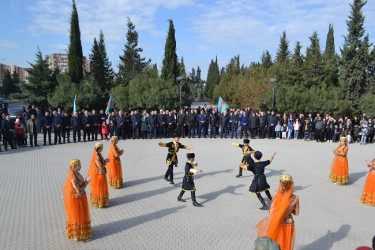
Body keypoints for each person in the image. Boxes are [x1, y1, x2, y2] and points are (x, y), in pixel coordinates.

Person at [255, 174, 299, 250]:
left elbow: (271, 212)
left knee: (274, 243)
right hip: (289, 223)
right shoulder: (295, 198)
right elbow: (296, 212)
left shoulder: (275, 196)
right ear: (291, 184)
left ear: (280, 184)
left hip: (276, 223)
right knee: (286, 244)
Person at [63, 159, 92, 241]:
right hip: (77, 199)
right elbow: (78, 190)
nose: (80, 166)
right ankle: (78, 233)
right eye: (78, 165)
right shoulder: (73, 178)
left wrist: (85, 180)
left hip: (81, 197)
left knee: (82, 214)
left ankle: (82, 231)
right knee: (78, 215)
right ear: (74, 167)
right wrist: (87, 182)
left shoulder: (77, 173)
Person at [88, 143, 110, 207]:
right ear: (99, 149)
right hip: (99, 174)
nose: (102, 149)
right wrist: (106, 161)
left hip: (102, 173)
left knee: (102, 187)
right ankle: (99, 201)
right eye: (101, 148)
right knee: (100, 187)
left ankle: (102, 201)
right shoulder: (97, 157)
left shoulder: (99, 154)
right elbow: (100, 166)